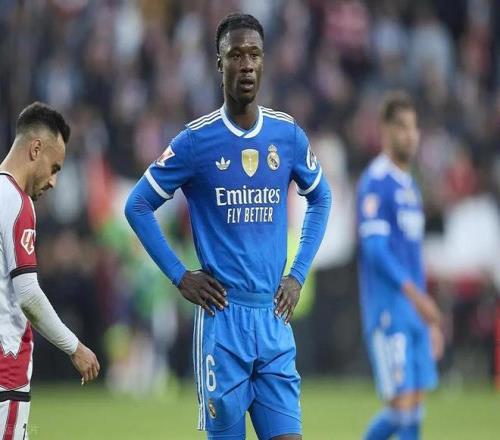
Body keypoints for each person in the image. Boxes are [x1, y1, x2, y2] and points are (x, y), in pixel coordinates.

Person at [125, 12, 331, 440]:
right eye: (236, 55)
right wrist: (180, 276)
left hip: (273, 318)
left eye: (254, 54)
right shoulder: (195, 141)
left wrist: (297, 275)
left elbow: (321, 197)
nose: (247, 64)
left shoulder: (287, 135)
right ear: (219, 64)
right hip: (222, 322)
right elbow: (138, 205)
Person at [0, 102, 100, 439]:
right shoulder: (17, 203)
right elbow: (28, 295)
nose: (54, 181)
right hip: (6, 373)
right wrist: (75, 347)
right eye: (54, 168)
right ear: (35, 149)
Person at [356, 91, 444, 440]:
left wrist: (427, 314)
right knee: (401, 407)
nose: (410, 135)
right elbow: (376, 251)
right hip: (388, 308)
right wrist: (417, 298)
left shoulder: (410, 185)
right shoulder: (376, 181)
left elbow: (413, 255)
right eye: (402, 127)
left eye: (414, 127)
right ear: (385, 131)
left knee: (415, 405)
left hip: (414, 310)